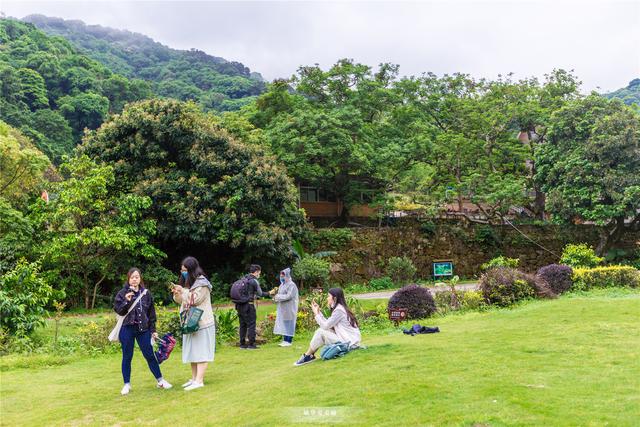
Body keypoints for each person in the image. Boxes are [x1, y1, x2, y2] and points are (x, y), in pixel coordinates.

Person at [113, 267, 172, 395]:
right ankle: (126, 384)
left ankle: (160, 380)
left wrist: (153, 330)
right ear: (128, 279)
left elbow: (151, 313)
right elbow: (119, 310)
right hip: (127, 329)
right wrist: (126, 301)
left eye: (137, 277)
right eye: (132, 277)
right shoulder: (122, 293)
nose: (135, 279)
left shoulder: (146, 293)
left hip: (143, 329)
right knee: (127, 357)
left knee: (150, 355)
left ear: (140, 279)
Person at [171, 256, 215, 391]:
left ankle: (199, 381)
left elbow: (194, 300)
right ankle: (194, 378)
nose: (182, 272)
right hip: (189, 323)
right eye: (181, 270)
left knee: (201, 351)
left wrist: (183, 291)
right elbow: (181, 300)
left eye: (185, 270)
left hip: (202, 323)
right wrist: (177, 293)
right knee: (193, 352)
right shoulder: (188, 283)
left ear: (191, 270)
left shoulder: (202, 284)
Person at [294, 287, 361, 366]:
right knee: (322, 331)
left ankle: (308, 355)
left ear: (334, 298)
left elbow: (325, 326)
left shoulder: (339, 310)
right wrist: (318, 313)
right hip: (347, 340)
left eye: (329, 296)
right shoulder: (339, 308)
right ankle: (309, 355)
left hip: (348, 343)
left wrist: (316, 313)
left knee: (320, 332)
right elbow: (328, 324)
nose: (327, 298)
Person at [236, 264, 271, 349]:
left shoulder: (244, 279)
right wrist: (270, 293)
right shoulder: (254, 281)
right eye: (259, 272)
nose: (260, 274)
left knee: (242, 324)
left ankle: (242, 344)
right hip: (249, 305)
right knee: (251, 324)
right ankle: (251, 344)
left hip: (239, 305)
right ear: (256, 272)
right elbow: (260, 293)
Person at [270, 268, 299, 347]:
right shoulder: (282, 285)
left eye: (283, 276)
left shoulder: (291, 285)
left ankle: (289, 341)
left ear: (287, 276)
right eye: (281, 276)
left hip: (290, 308)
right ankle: (285, 340)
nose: (282, 278)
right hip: (283, 308)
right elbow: (279, 295)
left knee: (289, 324)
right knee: (285, 324)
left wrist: (277, 296)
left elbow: (289, 296)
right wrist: (275, 298)